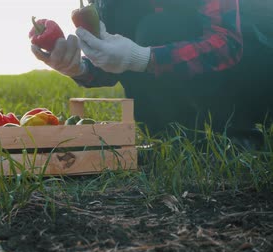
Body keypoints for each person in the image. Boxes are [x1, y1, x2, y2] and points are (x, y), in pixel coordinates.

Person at [32, 0, 273, 148]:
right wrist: (78, 68)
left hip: (255, 71)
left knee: (157, 27)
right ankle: (174, 138)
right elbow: (117, 58)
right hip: (178, 109)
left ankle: (239, 135)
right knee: (147, 25)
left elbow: (227, 43)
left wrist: (144, 57)